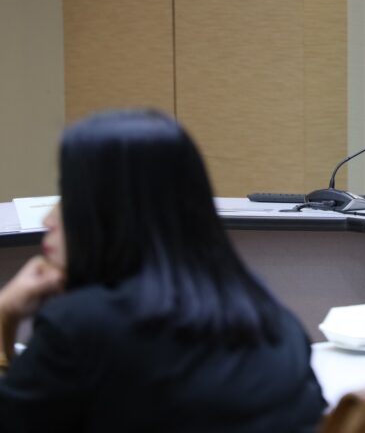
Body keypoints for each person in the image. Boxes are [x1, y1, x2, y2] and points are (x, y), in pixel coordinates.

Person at [0, 110, 325, 432]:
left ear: (114, 211)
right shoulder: (271, 316)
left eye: (69, 197)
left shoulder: (81, 327)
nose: (48, 220)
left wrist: (4, 313)